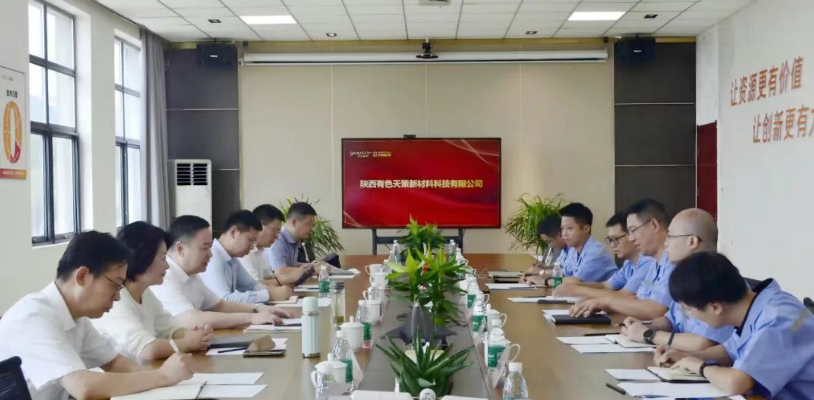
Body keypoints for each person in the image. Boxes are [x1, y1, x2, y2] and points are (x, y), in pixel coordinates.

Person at [0, 231, 194, 400]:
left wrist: (163, 379)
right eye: (115, 284)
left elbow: (115, 363)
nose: (118, 296)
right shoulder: (33, 316)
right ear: (82, 276)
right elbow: (83, 386)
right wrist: (163, 377)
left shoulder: (76, 317)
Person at [656, 252, 814, 399]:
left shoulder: (777, 320)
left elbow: (736, 384)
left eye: (689, 310)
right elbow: (730, 350)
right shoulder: (757, 305)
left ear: (715, 307)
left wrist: (700, 367)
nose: (690, 316)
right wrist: (686, 357)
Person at [93, 222, 213, 364]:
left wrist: (194, 335)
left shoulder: (145, 293)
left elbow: (170, 329)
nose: (167, 265)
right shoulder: (115, 299)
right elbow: (147, 350)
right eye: (163, 258)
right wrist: (189, 343)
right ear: (143, 258)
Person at [621, 208, 734, 351]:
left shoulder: (716, 278)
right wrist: (644, 325)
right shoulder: (688, 277)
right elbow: (671, 320)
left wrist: (649, 335)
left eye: (670, 236)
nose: (666, 243)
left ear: (692, 241)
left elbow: (704, 343)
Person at [152, 215, 291, 330]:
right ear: (180, 248)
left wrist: (258, 308)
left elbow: (220, 305)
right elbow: (192, 320)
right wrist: (252, 317)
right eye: (204, 248)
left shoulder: (192, 275)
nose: (210, 254)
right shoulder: (165, 276)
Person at [569, 200, 675, 320]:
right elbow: (639, 299)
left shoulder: (674, 261)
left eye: (633, 230)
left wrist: (606, 302)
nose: (631, 238)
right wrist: (600, 303)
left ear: (654, 225)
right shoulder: (655, 262)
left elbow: (656, 310)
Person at [553, 212, 655, 299]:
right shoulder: (628, 264)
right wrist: (574, 287)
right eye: (610, 240)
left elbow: (624, 295)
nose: (612, 245)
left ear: (631, 235)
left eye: (616, 239)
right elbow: (606, 285)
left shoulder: (648, 262)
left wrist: (577, 290)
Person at [200, 210, 293, 303]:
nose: (252, 246)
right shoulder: (213, 257)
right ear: (233, 232)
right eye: (250, 240)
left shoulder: (232, 259)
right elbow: (224, 300)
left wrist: (272, 291)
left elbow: (252, 286)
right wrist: (269, 295)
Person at [527, 202, 616, 285]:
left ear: (586, 229)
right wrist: (540, 272)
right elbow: (563, 273)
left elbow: (576, 282)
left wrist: (543, 280)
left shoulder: (595, 252)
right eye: (562, 228)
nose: (564, 234)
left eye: (569, 228)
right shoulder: (574, 250)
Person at [239, 204, 304, 286]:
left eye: (278, 232)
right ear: (259, 226)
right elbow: (254, 285)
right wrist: (288, 279)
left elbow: (269, 277)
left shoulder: (259, 251)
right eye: (274, 230)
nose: (277, 236)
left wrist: (297, 274)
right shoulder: (245, 252)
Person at [267, 202, 319, 278]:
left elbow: (290, 265)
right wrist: (313, 270)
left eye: (313, 225)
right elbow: (280, 271)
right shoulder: (277, 239)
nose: (312, 229)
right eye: (309, 224)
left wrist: (310, 265)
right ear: (294, 222)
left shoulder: (295, 239)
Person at [521, 214, 568, 282]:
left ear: (559, 235)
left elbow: (566, 275)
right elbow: (559, 266)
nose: (550, 246)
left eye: (549, 241)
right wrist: (544, 267)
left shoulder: (574, 249)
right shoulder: (565, 250)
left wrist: (541, 272)